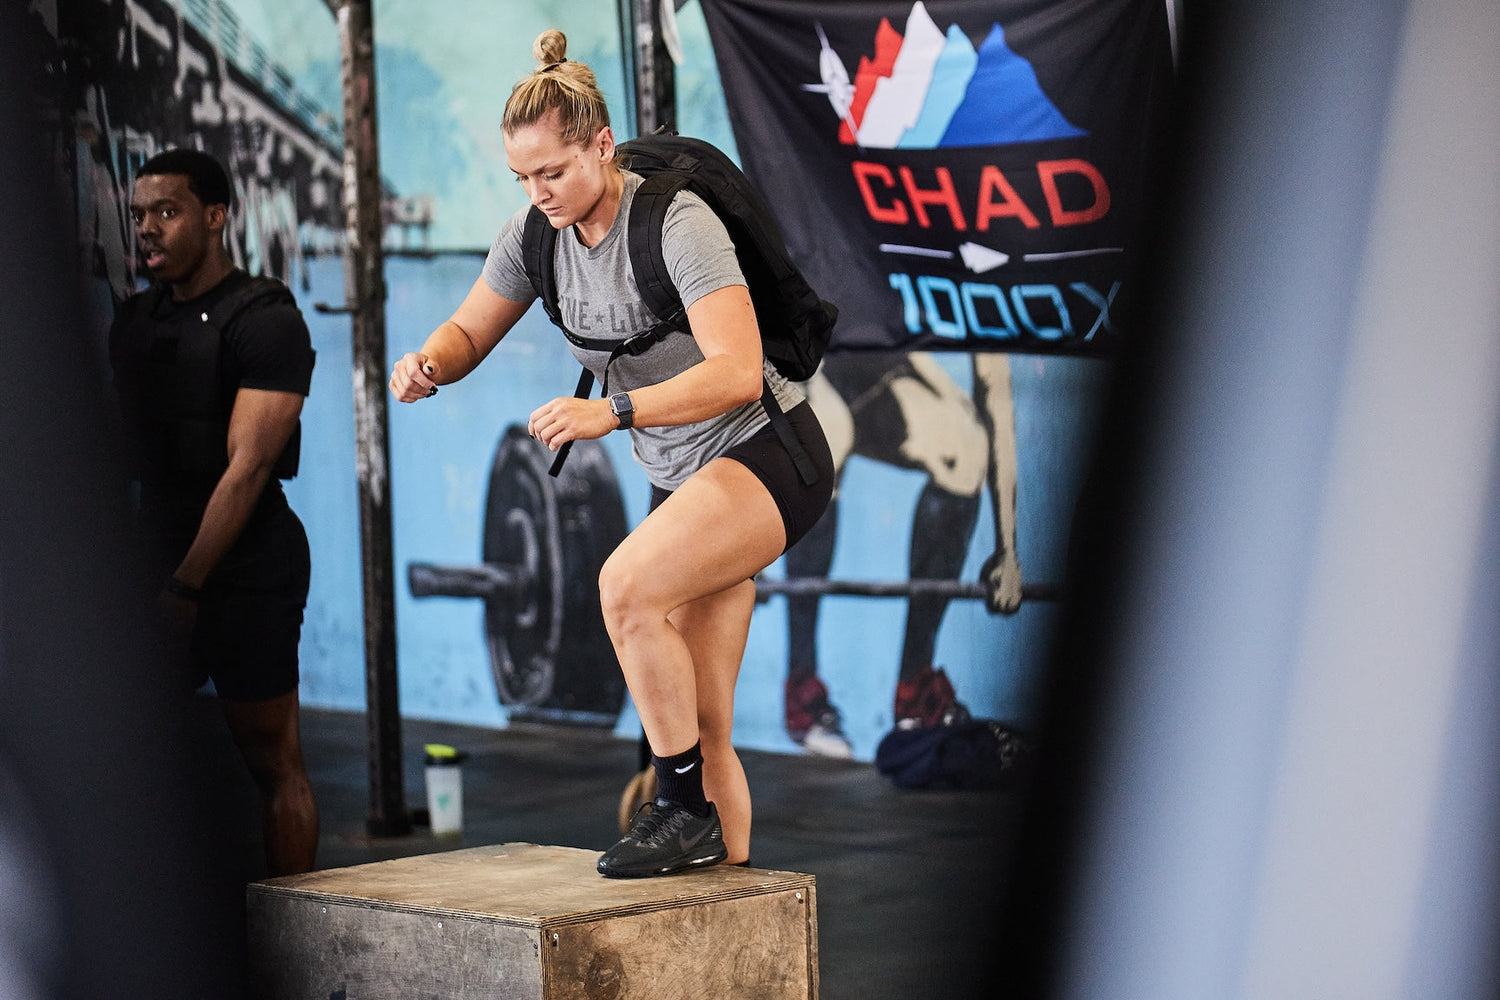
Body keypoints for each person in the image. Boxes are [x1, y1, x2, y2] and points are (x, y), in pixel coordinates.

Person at [389, 29, 834, 878]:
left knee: (623, 587)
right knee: (706, 725)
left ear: (601, 145)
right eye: (522, 177)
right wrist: (428, 364)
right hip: (683, 479)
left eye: (553, 172)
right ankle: (725, 906)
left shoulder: (676, 223)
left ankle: (678, 808)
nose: (539, 193)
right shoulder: (536, 236)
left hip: (767, 452)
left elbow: (738, 371)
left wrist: (613, 413)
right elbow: (468, 331)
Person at [110, 148, 319, 877]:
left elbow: (248, 469)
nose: (148, 229)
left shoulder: (265, 320)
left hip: (248, 561)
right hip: (156, 547)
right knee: (124, 756)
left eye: (166, 212)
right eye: (139, 214)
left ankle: (297, 927)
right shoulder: (132, 322)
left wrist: (185, 585)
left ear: (215, 216)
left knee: (272, 758)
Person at [783, 352, 1023, 756]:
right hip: (808, 355)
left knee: (966, 447)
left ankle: (914, 689)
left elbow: (995, 397)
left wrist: (1008, 551)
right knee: (826, 431)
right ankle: (801, 683)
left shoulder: (983, 313)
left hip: (884, 366)